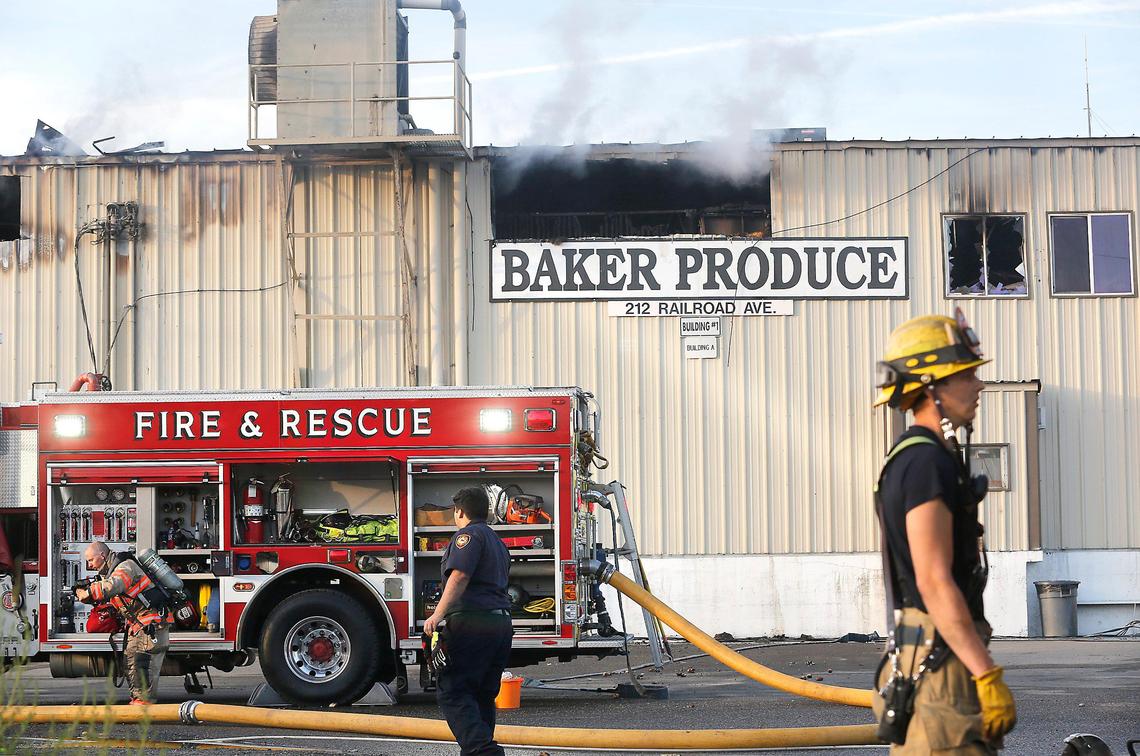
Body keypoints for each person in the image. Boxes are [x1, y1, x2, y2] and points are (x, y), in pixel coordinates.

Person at [871, 309, 1017, 754]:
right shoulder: (925, 463)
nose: (978, 385)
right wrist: (985, 673)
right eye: (965, 375)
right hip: (943, 667)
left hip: (937, 656)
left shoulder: (925, 458)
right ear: (931, 386)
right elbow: (934, 581)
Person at [424, 487, 513, 756]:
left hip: (472, 623)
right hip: (500, 625)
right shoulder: (496, 541)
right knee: (481, 695)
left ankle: (484, 752)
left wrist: (437, 615)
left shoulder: (468, 536)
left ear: (459, 511)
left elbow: (460, 576)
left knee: (454, 691)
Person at [74, 541, 172, 705]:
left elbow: (115, 585)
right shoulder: (112, 571)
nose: (89, 565)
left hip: (150, 624)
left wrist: (89, 592)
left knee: (142, 663)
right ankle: (137, 700)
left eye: (91, 560)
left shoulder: (125, 566)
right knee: (131, 662)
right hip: (140, 625)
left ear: (102, 556)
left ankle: (144, 704)